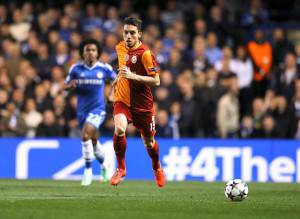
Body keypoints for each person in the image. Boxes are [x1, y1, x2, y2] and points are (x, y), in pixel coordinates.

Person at [110, 17, 165, 187]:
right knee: (119, 128)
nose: (128, 36)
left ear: (139, 34)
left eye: (132, 33)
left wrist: (133, 76)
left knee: (149, 142)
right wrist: (117, 78)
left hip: (143, 104)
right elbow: (123, 69)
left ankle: (157, 168)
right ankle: (121, 168)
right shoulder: (119, 48)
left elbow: (156, 81)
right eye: (125, 32)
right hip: (123, 99)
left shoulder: (145, 54)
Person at [64, 39, 116, 186]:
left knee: (85, 135)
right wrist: (70, 86)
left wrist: (112, 95)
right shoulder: (75, 69)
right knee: (93, 141)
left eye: (93, 50)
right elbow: (65, 85)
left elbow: (118, 80)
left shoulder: (104, 68)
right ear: (82, 53)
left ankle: (87, 171)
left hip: (98, 109)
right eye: (87, 50)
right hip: (82, 111)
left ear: (98, 53)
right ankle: (105, 165)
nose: (90, 52)